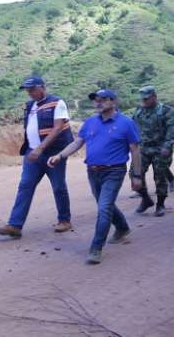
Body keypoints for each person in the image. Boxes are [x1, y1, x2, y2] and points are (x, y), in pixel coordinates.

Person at [48, 89, 142, 265]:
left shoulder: (126, 123)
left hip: (114, 171)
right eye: (96, 100)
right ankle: (122, 227)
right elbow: (78, 142)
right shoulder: (90, 122)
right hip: (93, 171)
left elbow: (135, 150)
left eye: (103, 100)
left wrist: (137, 176)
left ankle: (96, 248)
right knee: (104, 204)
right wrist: (60, 155)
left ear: (113, 102)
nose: (98, 103)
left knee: (104, 207)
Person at [0, 77, 75, 238]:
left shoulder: (57, 103)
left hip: (54, 153)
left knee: (58, 186)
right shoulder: (30, 106)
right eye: (27, 90)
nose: (29, 92)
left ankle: (65, 220)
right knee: (25, 186)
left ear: (42, 87)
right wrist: (33, 149)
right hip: (33, 154)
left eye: (32, 89)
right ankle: (15, 225)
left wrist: (40, 148)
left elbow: (58, 128)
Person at [131, 86, 174, 216]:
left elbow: (173, 130)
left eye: (147, 99)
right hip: (143, 148)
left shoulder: (166, 111)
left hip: (160, 148)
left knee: (160, 177)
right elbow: (132, 127)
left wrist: (167, 145)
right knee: (135, 174)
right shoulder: (139, 111)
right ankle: (146, 199)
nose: (144, 101)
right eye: (143, 99)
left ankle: (160, 204)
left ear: (154, 97)